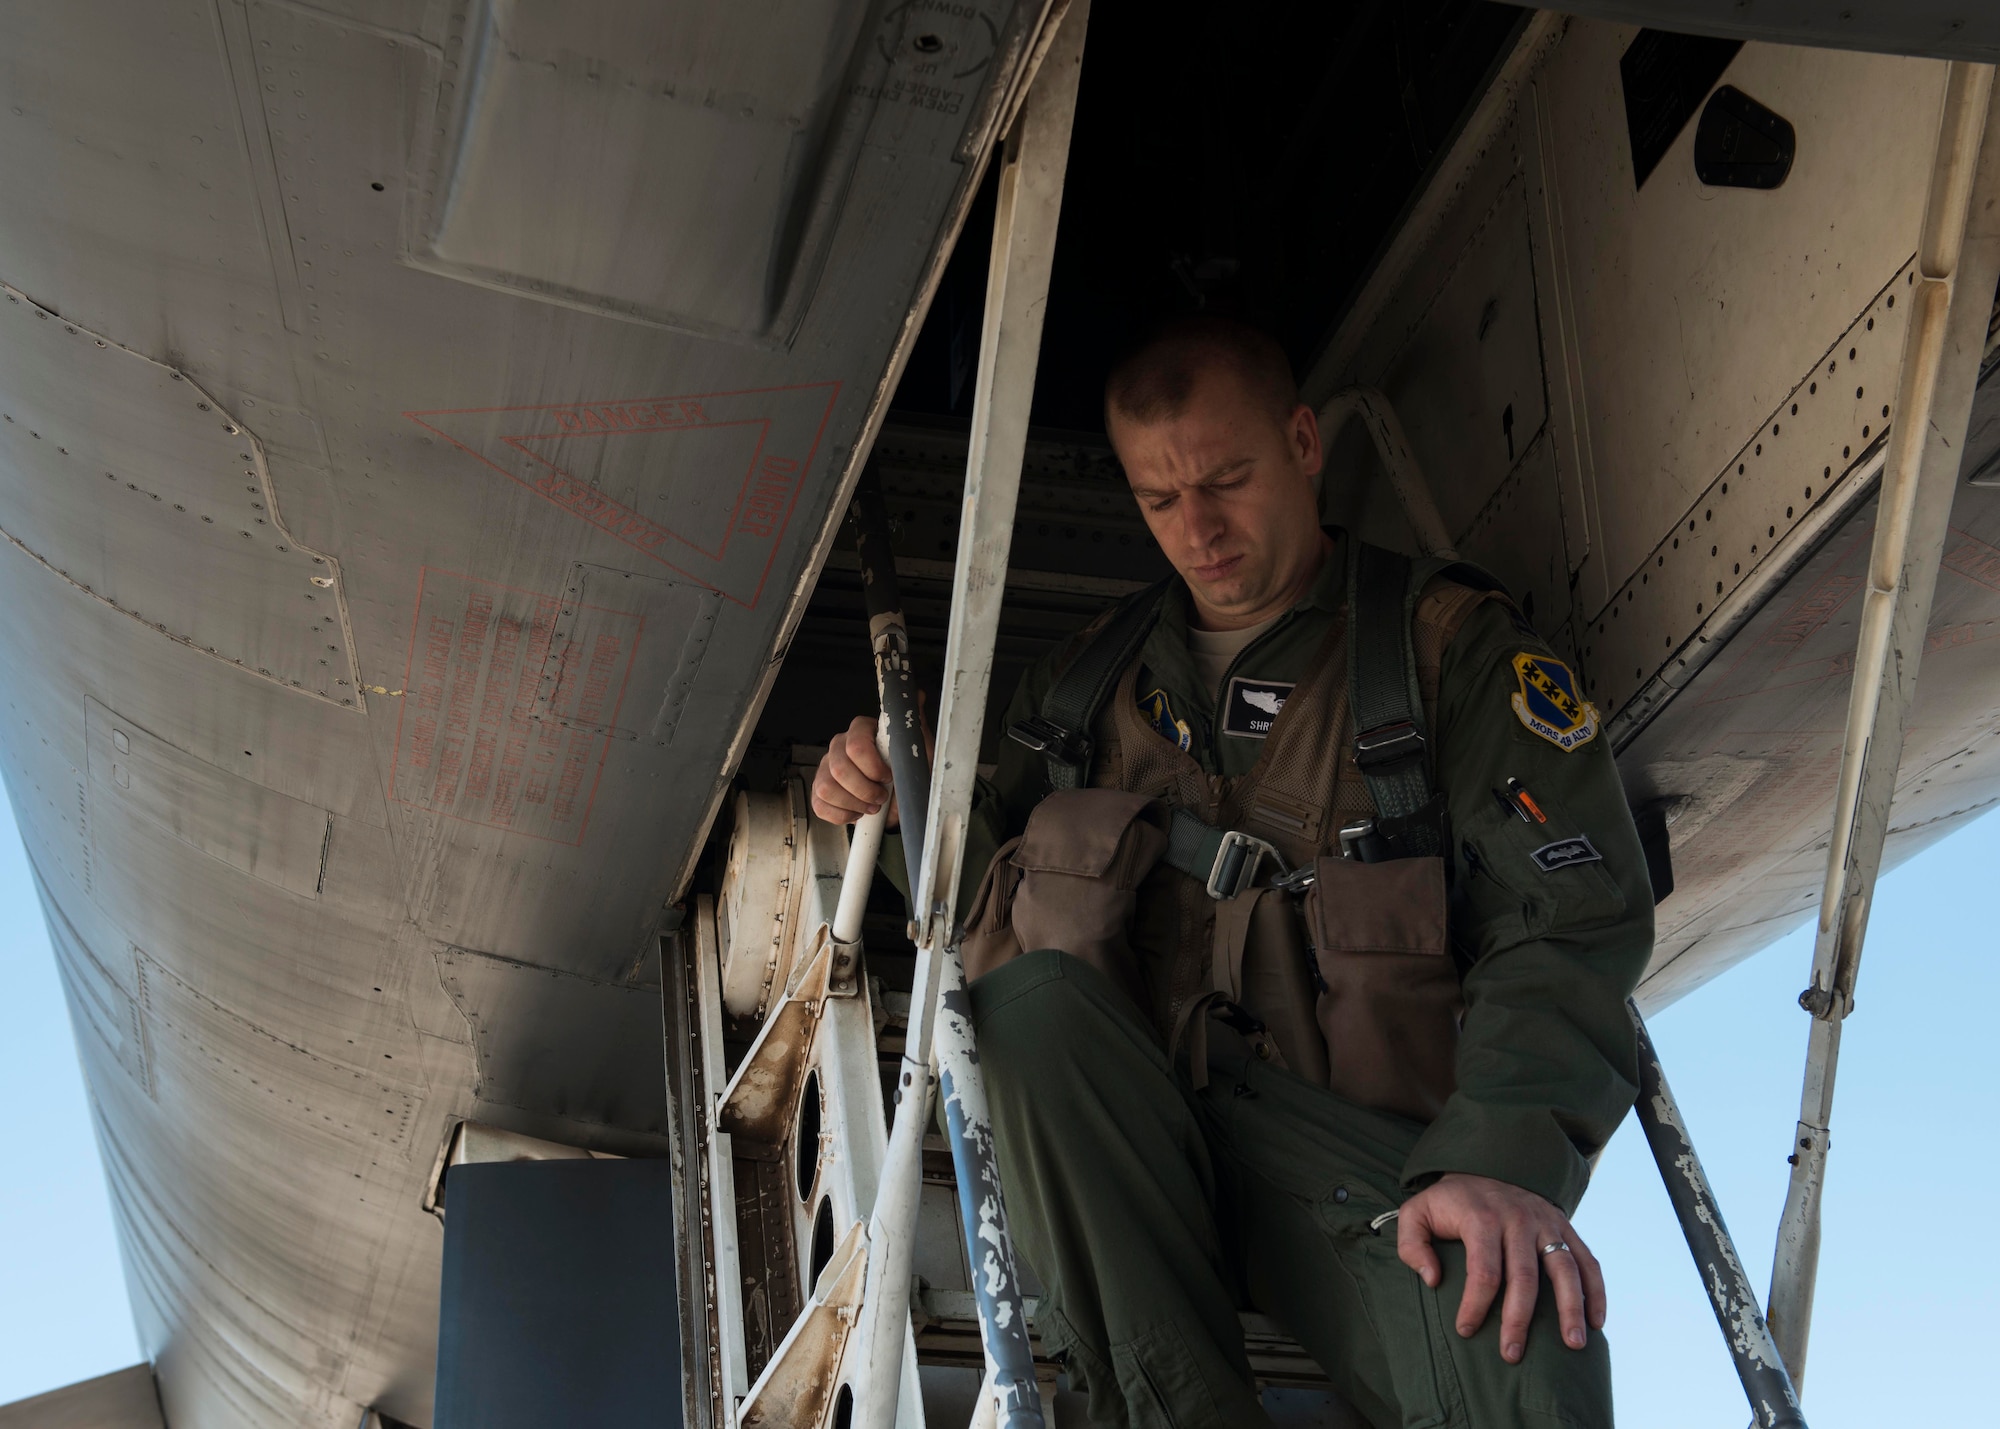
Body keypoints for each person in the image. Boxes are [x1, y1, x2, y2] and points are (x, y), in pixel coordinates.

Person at [812, 313, 1652, 1429]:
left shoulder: (1448, 656)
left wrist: (1497, 1158)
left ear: (1304, 444)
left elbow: (1567, 913)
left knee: (1515, 1321)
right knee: (1033, 1009)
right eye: (1158, 499)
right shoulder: (1071, 693)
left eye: (1226, 479)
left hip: (1342, 1157)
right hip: (1118, 1158)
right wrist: (877, 775)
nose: (1196, 528)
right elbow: (959, 883)